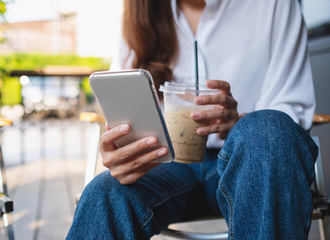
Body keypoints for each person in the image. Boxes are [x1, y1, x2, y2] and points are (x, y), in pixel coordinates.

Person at [67, 0, 319, 239]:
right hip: (167, 164)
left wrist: (239, 122)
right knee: (104, 193)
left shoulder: (273, 5)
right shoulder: (139, 14)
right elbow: (123, 100)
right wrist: (122, 149)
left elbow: (291, 108)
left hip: (250, 163)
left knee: (266, 131)